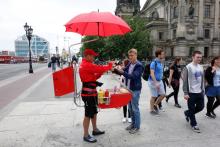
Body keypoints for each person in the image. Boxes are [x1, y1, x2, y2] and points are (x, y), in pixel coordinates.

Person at [79, 48, 113, 143]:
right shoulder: (86, 65)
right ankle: (86, 135)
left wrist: (101, 72)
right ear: (87, 56)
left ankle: (95, 129)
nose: (94, 57)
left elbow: (94, 77)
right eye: (93, 56)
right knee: (88, 114)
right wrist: (109, 66)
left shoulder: (86, 65)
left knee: (94, 112)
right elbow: (99, 68)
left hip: (92, 93)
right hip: (88, 94)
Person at [114, 48, 144, 134]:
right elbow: (124, 70)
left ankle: (137, 126)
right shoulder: (130, 63)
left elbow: (133, 76)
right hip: (128, 88)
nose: (130, 57)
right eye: (129, 55)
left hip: (135, 89)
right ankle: (133, 124)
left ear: (136, 55)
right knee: (130, 108)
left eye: (132, 55)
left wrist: (122, 72)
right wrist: (117, 70)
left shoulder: (139, 65)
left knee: (135, 108)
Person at [182, 50, 204, 133]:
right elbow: (184, 81)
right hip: (191, 92)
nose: (199, 59)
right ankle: (194, 124)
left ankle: (187, 113)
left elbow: (202, 79)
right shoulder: (188, 67)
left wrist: (203, 90)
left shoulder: (201, 67)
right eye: (197, 57)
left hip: (199, 92)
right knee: (192, 109)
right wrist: (185, 93)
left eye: (200, 57)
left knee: (201, 107)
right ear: (193, 57)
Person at [148, 49, 166, 115]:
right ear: (159, 55)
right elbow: (152, 73)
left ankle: (155, 104)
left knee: (163, 94)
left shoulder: (161, 62)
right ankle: (151, 110)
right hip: (153, 81)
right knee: (154, 96)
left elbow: (160, 72)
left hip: (160, 81)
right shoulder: (153, 63)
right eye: (162, 54)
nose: (164, 55)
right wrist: (155, 82)